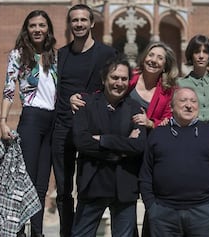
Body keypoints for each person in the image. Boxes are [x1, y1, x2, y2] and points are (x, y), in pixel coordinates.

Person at [51, 4, 117, 237]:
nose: (79, 24)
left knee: (87, 187)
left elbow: (114, 87)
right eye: (74, 20)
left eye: (83, 20)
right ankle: (66, 233)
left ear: (92, 23)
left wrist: (88, 101)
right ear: (70, 24)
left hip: (91, 128)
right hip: (62, 128)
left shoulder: (107, 54)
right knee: (63, 190)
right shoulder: (61, 55)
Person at [139, 87, 209, 237]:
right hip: (164, 215)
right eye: (183, 100)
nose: (189, 105)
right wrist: (151, 206)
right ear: (171, 106)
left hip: (204, 214)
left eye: (193, 101)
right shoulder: (157, 134)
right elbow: (146, 173)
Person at [71, 54, 147, 237]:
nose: (119, 83)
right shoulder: (85, 104)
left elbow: (139, 146)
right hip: (93, 183)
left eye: (124, 79)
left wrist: (103, 140)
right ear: (104, 79)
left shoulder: (135, 109)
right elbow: (81, 142)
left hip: (124, 185)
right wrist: (120, 151)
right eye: (114, 77)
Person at [0, 10, 57, 237]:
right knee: (26, 181)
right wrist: (3, 122)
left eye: (42, 25)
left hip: (52, 121)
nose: (37, 29)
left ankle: (38, 233)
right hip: (31, 119)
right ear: (27, 29)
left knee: (42, 183)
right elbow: (8, 90)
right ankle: (19, 232)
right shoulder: (18, 55)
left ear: (48, 29)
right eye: (33, 25)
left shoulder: (55, 56)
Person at [71, 41, 178, 129]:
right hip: (119, 133)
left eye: (160, 58)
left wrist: (151, 124)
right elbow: (106, 91)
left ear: (165, 66)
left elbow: (169, 120)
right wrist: (81, 98)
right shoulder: (130, 77)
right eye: (151, 55)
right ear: (144, 58)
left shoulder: (168, 90)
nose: (153, 60)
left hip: (148, 141)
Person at [176, 34, 209, 127]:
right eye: (197, 52)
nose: (201, 56)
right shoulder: (181, 84)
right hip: (190, 131)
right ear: (191, 55)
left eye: (205, 52)